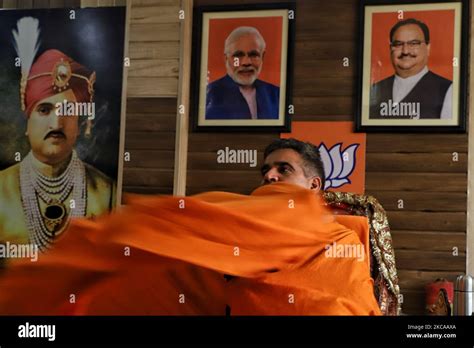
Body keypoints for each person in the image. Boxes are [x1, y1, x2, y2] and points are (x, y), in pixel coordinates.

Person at [0, 137, 380, 315]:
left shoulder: (339, 238)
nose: (270, 177)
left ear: (315, 185)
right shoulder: (239, 218)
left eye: (284, 169)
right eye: (265, 170)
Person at [0, 18, 115, 253]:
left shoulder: (107, 192)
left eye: (68, 110)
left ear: (81, 120)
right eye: (44, 110)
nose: (56, 122)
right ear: (27, 122)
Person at [370, 18, 453, 119]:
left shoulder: (447, 90)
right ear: (390, 49)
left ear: (428, 48)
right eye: (398, 44)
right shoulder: (374, 89)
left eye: (413, 43)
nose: (405, 51)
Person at [205, 26, 280, 120]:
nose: (246, 62)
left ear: (262, 57)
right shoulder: (209, 94)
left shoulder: (276, 95)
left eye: (253, 55)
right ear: (226, 59)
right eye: (238, 55)